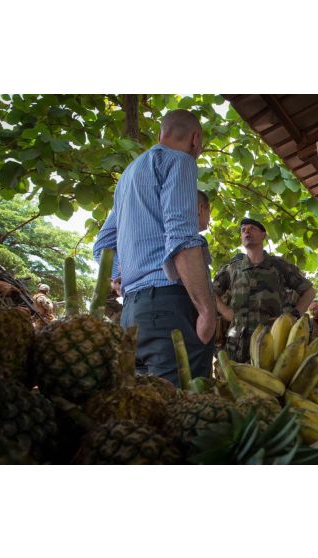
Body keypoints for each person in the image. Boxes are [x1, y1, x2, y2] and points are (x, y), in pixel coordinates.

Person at [93, 109, 217, 386]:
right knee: (181, 410)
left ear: (161, 134)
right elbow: (182, 236)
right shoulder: (180, 161)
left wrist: (117, 276)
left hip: (132, 313)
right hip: (171, 307)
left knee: (145, 410)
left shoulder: (128, 176)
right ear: (195, 140)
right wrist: (207, 309)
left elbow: (102, 244)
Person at [213, 218, 316, 362]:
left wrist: (294, 315)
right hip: (237, 345)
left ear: (263, 235)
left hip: (270, 340)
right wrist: (224, 311)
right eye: (243, 230)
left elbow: (309, 291)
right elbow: (211, 293)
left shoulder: (278, 265)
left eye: (252, 228)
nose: (246, 232)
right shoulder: (232, 268)